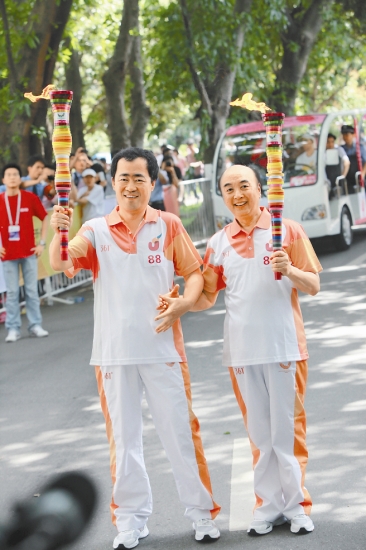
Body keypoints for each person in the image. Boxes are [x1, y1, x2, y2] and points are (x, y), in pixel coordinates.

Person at [49, 147, 220, 549]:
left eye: (139, 178)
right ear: (113, 181)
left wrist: (184, 303)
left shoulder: (169, 224)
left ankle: (201, 514)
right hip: (113, 354)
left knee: (180, 434)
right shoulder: (94, 229)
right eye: (123, 178)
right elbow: (61, 263)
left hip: (163, 350)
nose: (130, 185)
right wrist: (56, 230)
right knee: (123, 442)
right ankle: (130, 521)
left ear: (153, 182)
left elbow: (194, 274)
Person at [159, 164, 322, 537]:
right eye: (228, 188)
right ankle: (267, 506)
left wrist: (290, 270)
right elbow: (207, 297)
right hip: (242, 353)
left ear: (260, 189)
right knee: (260, 435)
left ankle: (297, 505)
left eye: (244, 186)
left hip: (284, 347)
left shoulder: (287, 231)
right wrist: (181, 302)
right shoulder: (218, 243)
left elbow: (313, 284)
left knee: (288, 432)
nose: (237, 194)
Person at [0, 163, 49, 342]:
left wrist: (41, 243)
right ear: (3, 179)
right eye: (8, 174)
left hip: (29, 252)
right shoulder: (0, 200)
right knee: (12, 293)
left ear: (20, 179)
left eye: (15, 174)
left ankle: (35, 325)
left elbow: (45, 218)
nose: (12, 177)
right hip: (8, 254)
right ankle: (13, 328)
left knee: (31, 291)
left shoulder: (29, 198)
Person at [340, 125, 366, 192]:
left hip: (360, 179)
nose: (345, 137)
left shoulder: (360, 147)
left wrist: (362, 175)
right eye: (343, 135)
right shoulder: (341, 149)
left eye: (347, 135)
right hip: (348, 181)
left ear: (353, 135)